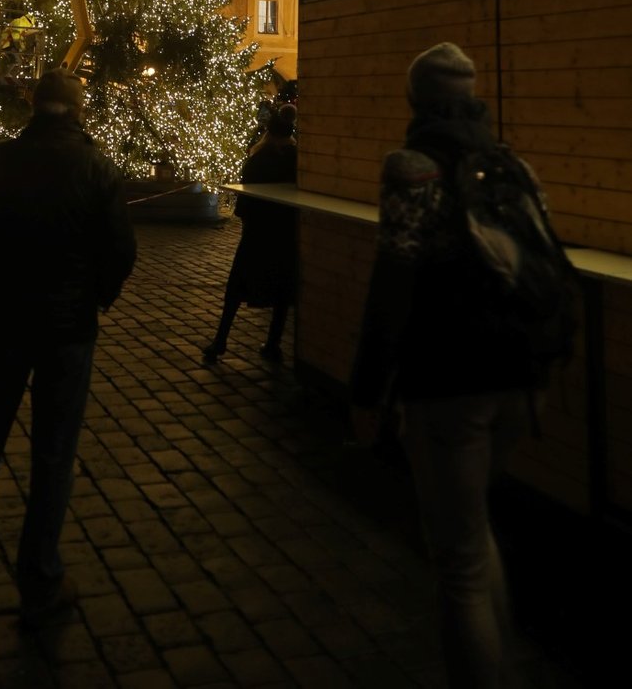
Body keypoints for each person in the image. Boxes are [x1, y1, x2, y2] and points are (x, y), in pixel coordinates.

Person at [349, 43, 561, 689]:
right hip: (522, 379)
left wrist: (365, 390)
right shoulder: (511, 165)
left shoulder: (413, 168)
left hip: (450, 380)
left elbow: (395, 280)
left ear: (416, 100)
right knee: (473, 532)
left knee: (457, 560)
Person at [0, 69, 136, 628]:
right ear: (79, 110)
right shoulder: (99, 167)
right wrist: (94, 296)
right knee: (53, 455)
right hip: (68, 329)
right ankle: (39, 579)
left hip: (7, 322)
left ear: (34, 106)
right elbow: (121, 250)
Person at [203, 104, 298, 364]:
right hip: (286, 234)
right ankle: (273, 343)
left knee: (237, 287)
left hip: (257, 234)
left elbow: (244, 205)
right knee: (283, 289)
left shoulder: (257, 159)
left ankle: (220, 340)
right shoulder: (297, 158)